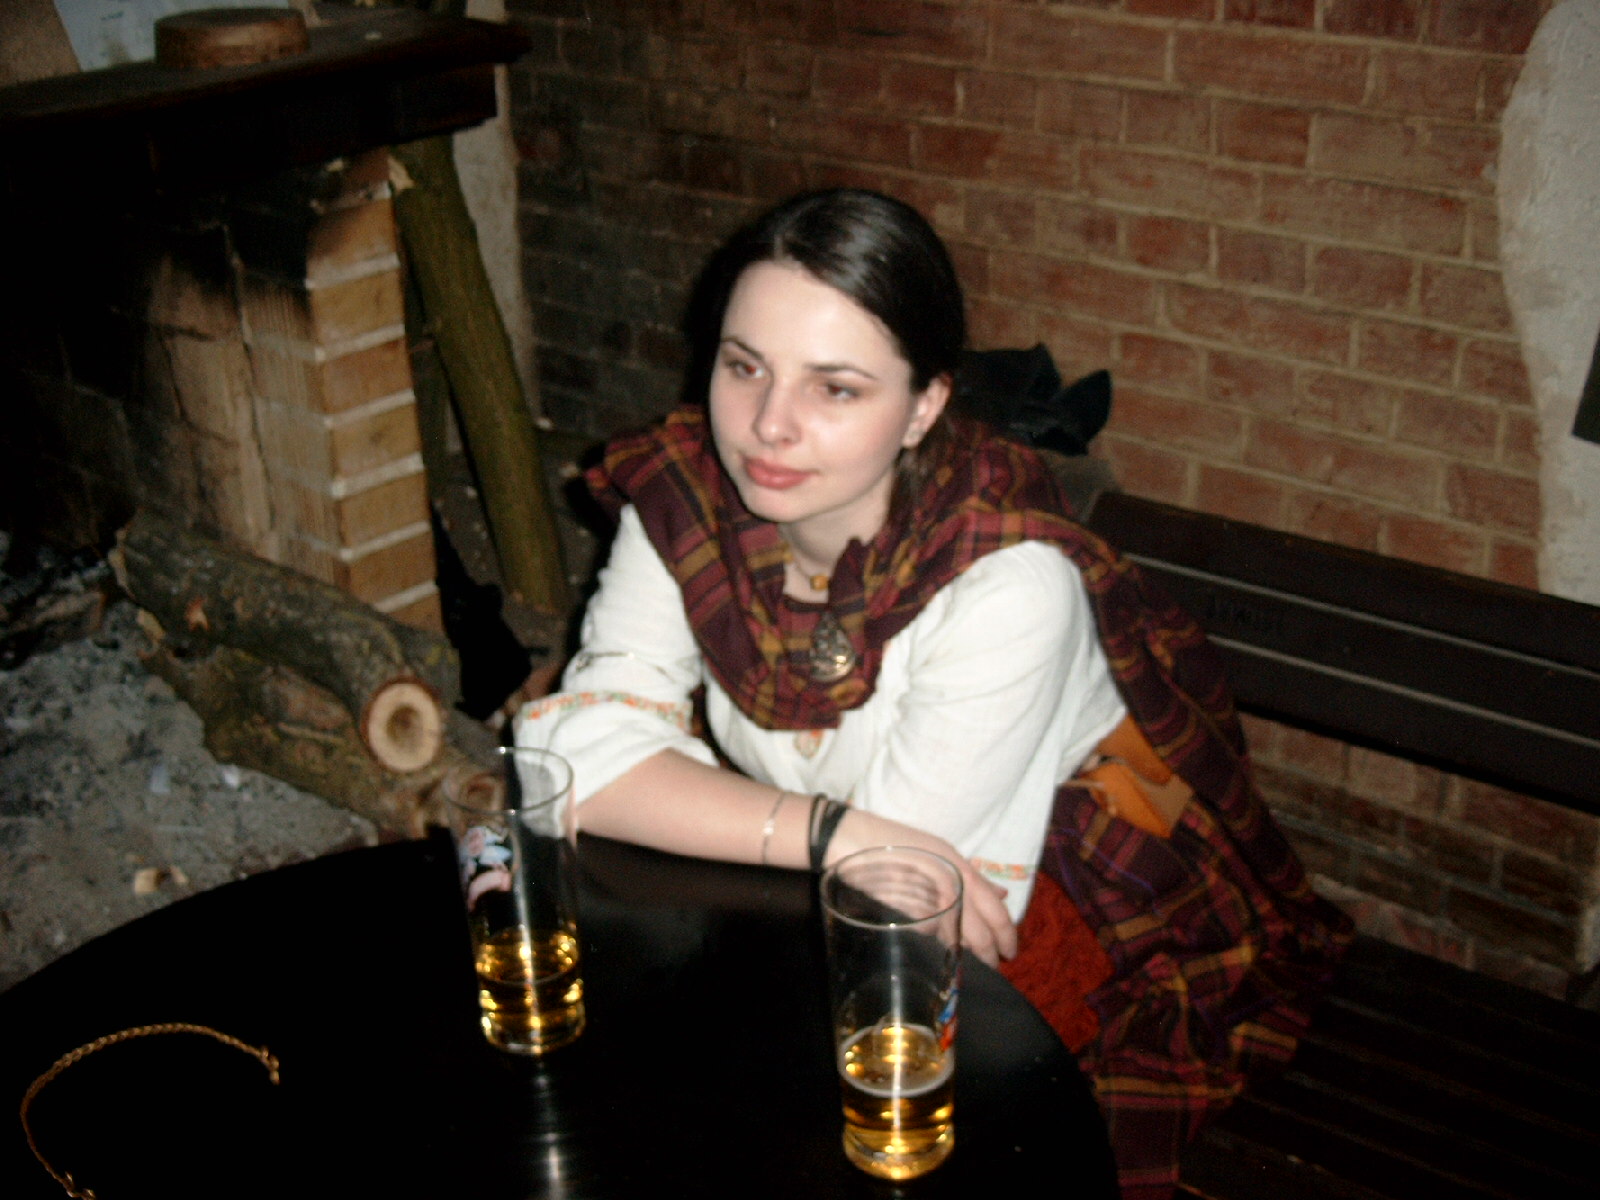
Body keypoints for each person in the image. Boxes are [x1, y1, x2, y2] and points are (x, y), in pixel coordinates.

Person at [516, 188, 1351, 1198]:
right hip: (827, 858)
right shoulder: (689, 498)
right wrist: (835, 834)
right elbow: (568, 760)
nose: (769, 426)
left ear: (923, 406)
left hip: (1063, 871)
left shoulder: (1006, 583)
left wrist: (806, 834)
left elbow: (899, 904)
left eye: (835, 388)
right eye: (744, 367)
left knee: (859, 1118)